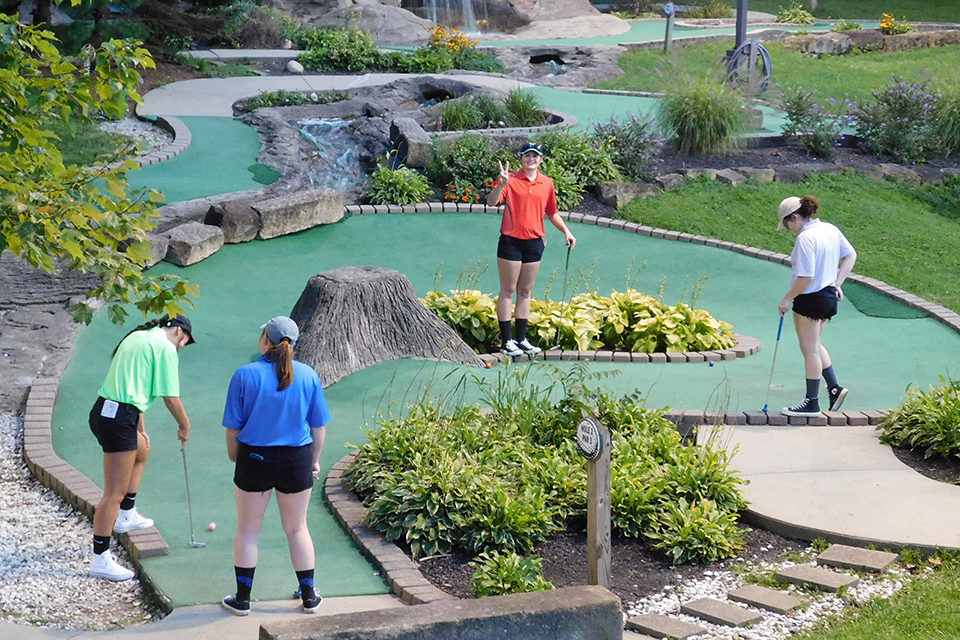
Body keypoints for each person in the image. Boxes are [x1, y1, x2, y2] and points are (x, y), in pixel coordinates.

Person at [221, 316, 330, 616]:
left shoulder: (244, 375)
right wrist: (314, 460)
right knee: (297, 528)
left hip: (254, 459)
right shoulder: (308, 376)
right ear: (293, 343)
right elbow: (318, 428)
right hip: (296, 459)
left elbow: (233, 429)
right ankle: (308, 595)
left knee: (248, 529)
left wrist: (236, 457)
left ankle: (242, 599)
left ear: (265, 341)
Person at [88, 314, 194, 581]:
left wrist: (141, 426)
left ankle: (127, 515)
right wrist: (184, 425)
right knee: (113, 492)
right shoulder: (166, 348)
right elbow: (170, 397)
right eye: (186, 342)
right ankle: (100, 558)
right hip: (119, 419)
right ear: (179, 331)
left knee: (142, 450)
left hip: (106, 411)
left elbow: (134, 384)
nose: (182, 347)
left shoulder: (137, 337)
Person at [486, 141, 577, 357]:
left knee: (525, 291)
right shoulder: (511, 180)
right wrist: (500, 184)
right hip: (511, 241)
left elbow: (552, 212)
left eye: (535, 156)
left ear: (541, 159)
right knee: (508, 290)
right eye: (528, 155)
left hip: (534, 242)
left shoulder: (547, 183)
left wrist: (566, 231)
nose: (531, 159)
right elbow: (491, 203)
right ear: (522, 158)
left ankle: (521, 339)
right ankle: (506, 342)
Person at [776, 196, 857, 417]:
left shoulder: (806, 238)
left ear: (794, 217)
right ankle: (834, 388)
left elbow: (806, 278)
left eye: (787, 223)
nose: (788, 228)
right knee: (815, 345)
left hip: (810, 298)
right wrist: (837, 284)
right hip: (828, 296)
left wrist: (786, 299)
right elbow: (851, 255)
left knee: (809, 350)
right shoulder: (830, 229)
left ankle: (811, 402)